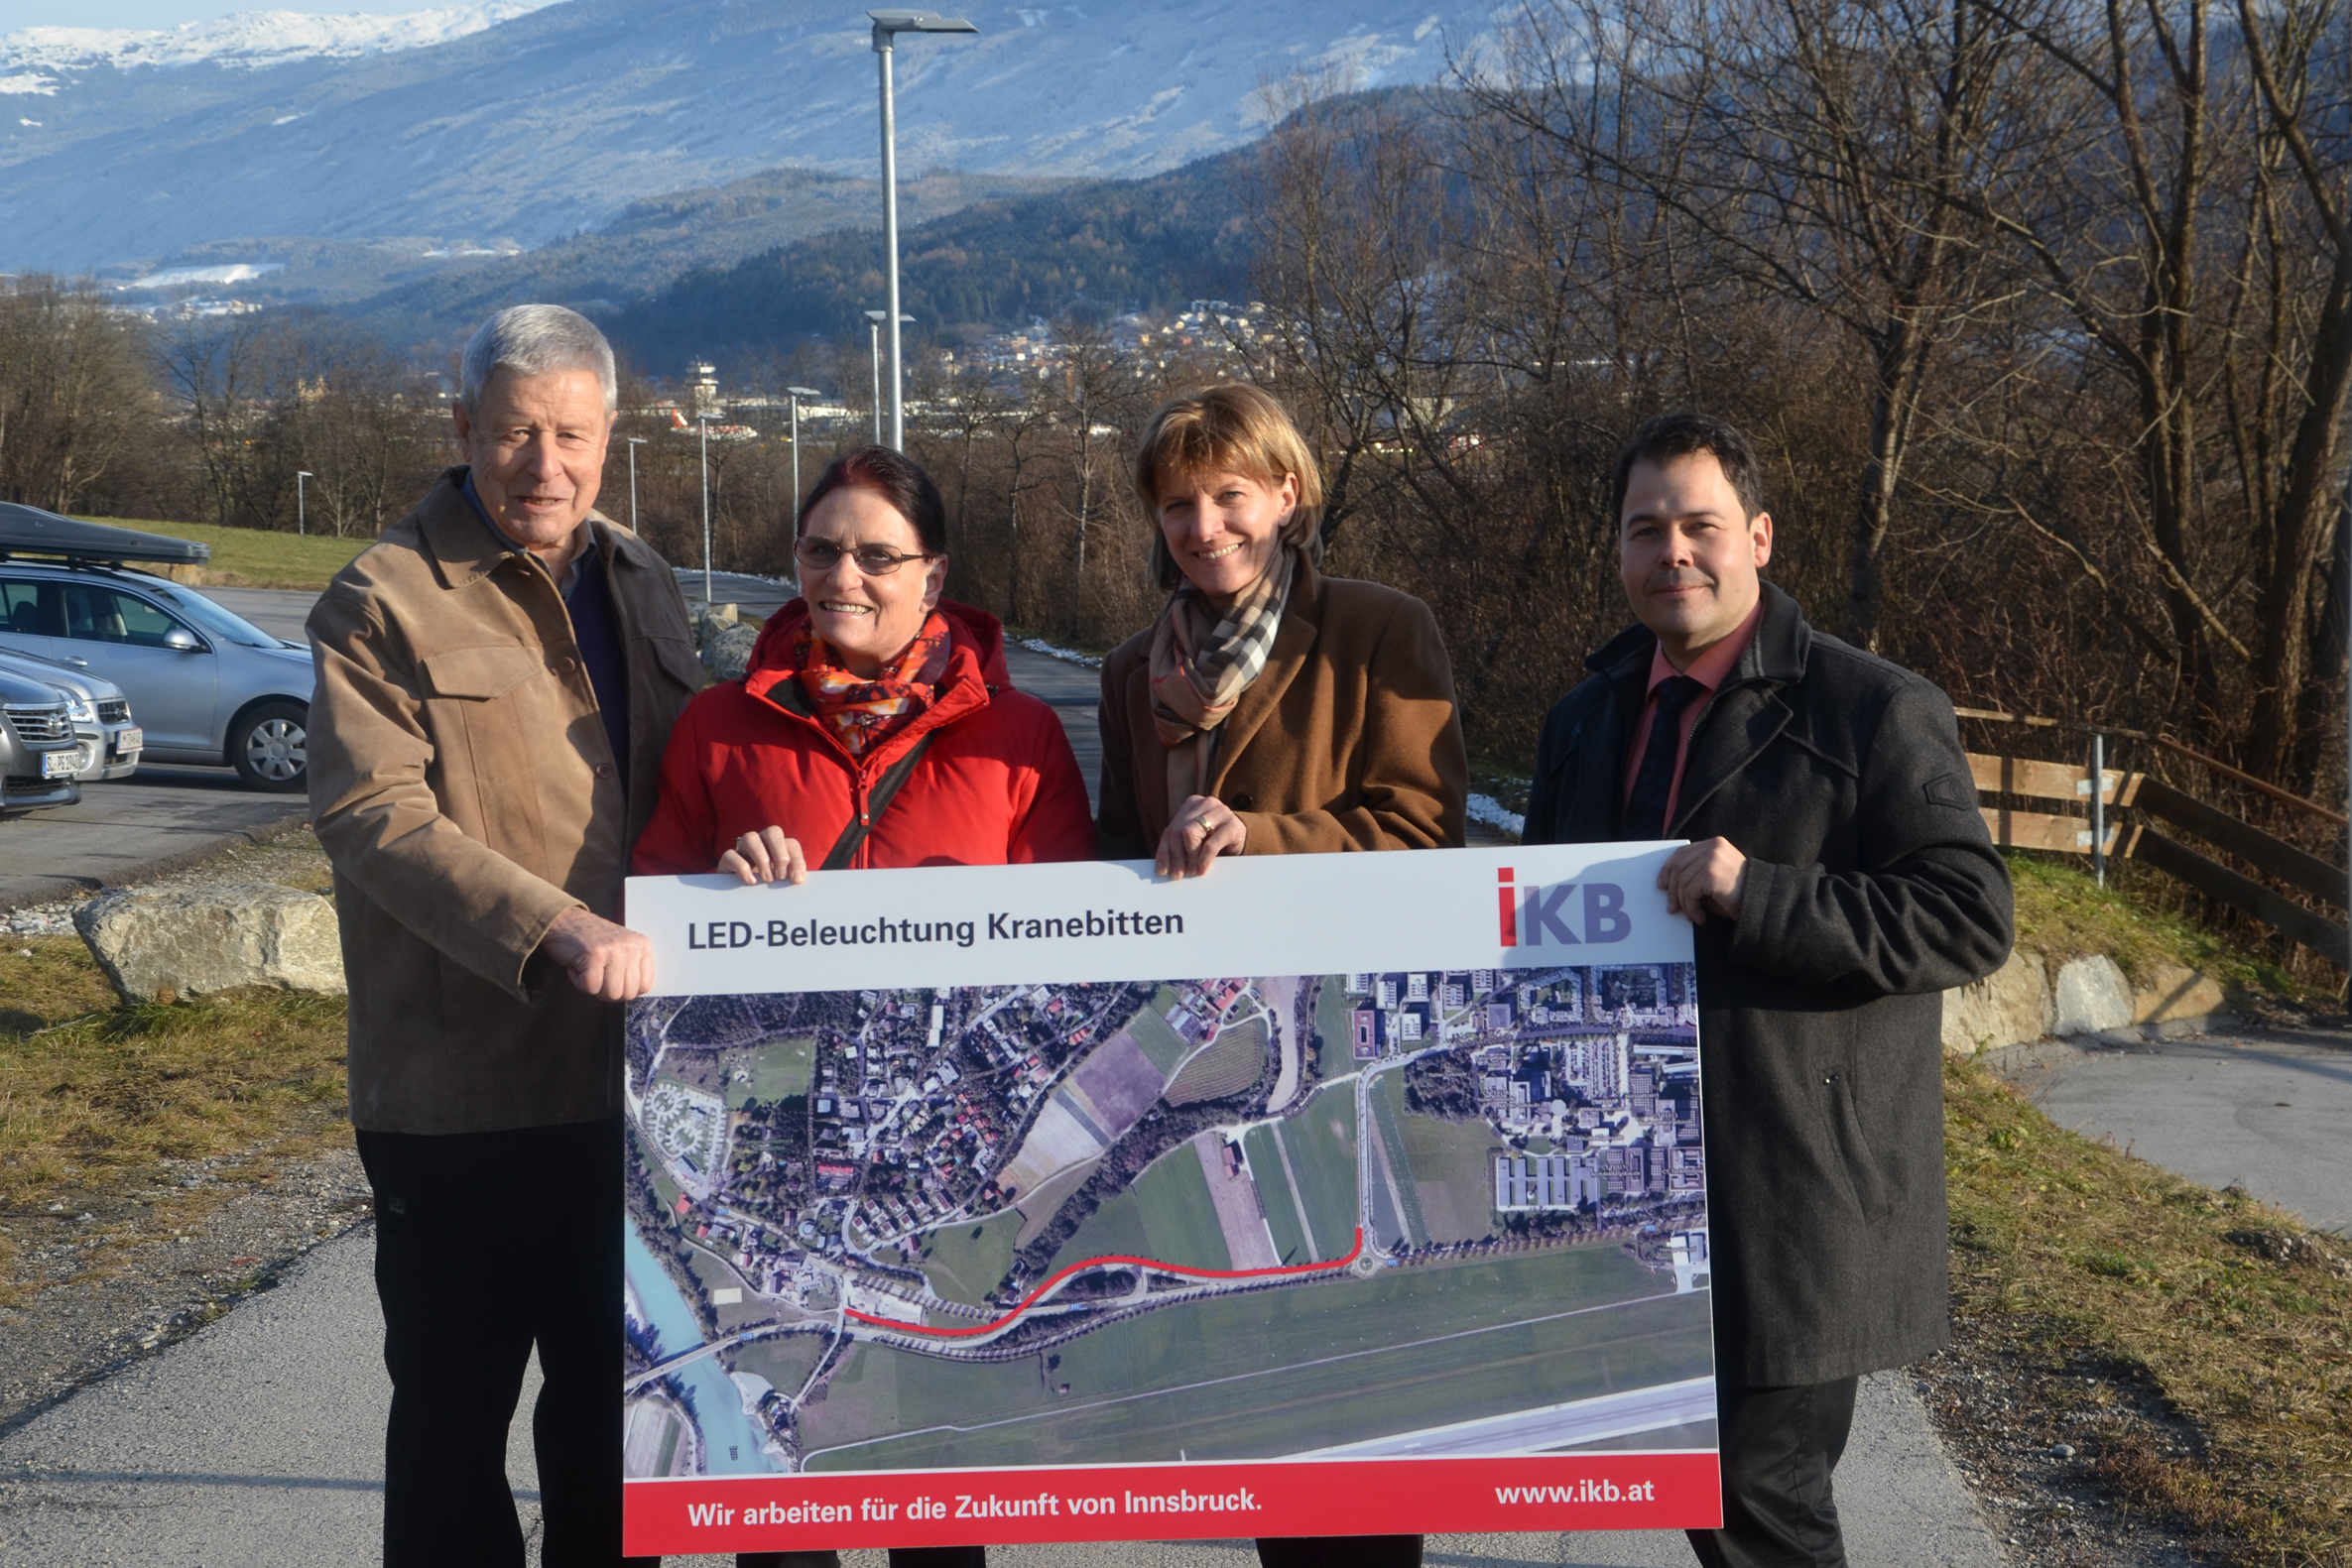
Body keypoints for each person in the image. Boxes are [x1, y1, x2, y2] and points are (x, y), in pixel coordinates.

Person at [1523, 412, 2014, 1568]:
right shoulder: (1584, 717)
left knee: (1757, 1491)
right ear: (1617, 553)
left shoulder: (1874, 710)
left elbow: (1969, 915)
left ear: (1758, 536)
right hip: (1634, 1176)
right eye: (1646, 530)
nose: (1673, 553)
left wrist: (1766, 895)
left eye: (1699, 525)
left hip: (1795, 1184)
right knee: (1710, 1483)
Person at [631, 443, 1091, 1568]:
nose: (844, 574)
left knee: (937, 1508)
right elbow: (653, 926)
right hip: (775, 1166)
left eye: (877, 555)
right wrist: (713, 883)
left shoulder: (1018, 741)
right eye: (821, 549)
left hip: (935, 1169)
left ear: (932, 576)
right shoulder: (718, 728)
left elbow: (1079, 953)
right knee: (784, 1516)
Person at [307, 303, 703, 1566]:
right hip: (459, 1097)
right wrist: (558, 926)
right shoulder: (383, 597)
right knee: (449, 1435)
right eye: (518, 431)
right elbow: (373, 816)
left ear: (609, 436)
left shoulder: (639, 575)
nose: (547, 463)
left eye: (572, 433)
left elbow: (693, 777)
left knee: (614, 1427)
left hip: (631, 1094)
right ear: (462, 427)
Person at [1098, 383, 1465, 1568]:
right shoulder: (1127, 674)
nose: (1204, 528)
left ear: (1288, 496)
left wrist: (1264, 838)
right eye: (1177, 506)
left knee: (1357, 1428)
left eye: (1229, 497)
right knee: (1261, 1414)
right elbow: (1118, 864)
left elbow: (1422, 832)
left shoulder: (1375, 628)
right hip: (1213, 1062)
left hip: (1344, 1042)